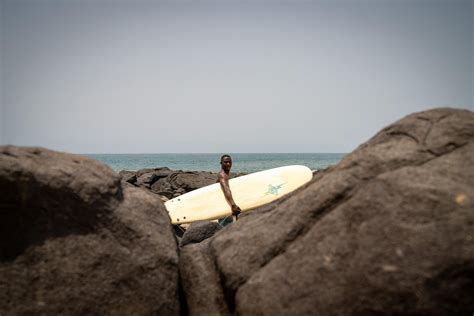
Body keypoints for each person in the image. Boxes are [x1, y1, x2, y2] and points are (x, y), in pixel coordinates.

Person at [217, 154, 241, 225]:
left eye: (230, 162)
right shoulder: (222, 175)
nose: (228, 164)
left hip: (228, 203)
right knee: (226, 228)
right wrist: (233, 205)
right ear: (221, 163)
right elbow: (226, 189)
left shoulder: (226, 174)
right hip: (226, 205)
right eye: (226, 162)